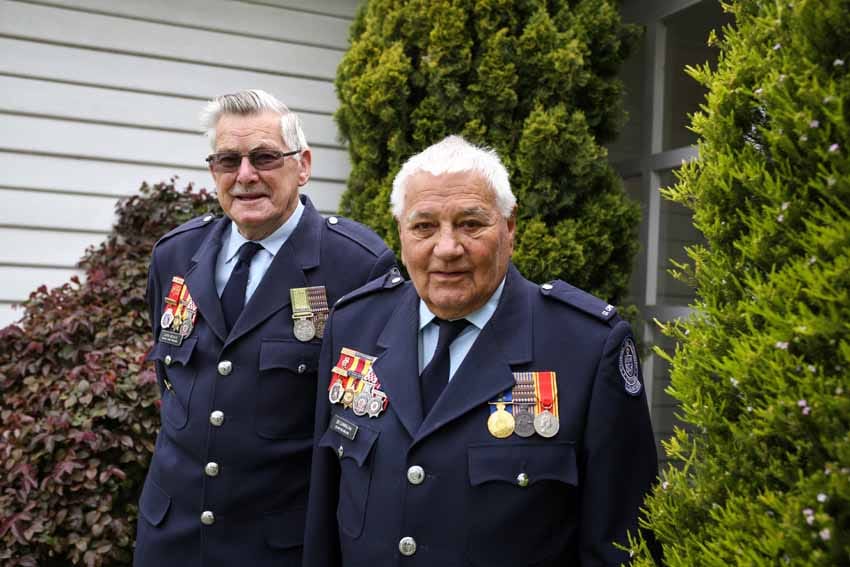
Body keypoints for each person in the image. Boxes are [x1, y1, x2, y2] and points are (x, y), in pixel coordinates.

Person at [303, 135, 657, 566]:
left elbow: (621, 545)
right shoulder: (354, 326)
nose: (447, 248)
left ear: (509, 227)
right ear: (400, 231)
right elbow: (324, 510)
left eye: (471, 224)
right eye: (424, 226)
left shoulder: (586, 347)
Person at [134, 89, 396, 567]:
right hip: (170, 538)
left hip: (279, 545)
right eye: (228, 159)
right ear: (213, 170)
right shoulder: (174, 255)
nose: (246, 175)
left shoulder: (355, 265)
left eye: (265, 157)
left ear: (303, 165)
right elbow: (174, 387)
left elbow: (366, 429)